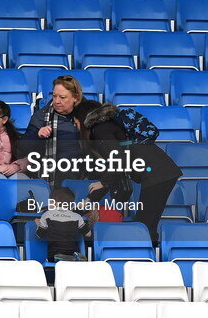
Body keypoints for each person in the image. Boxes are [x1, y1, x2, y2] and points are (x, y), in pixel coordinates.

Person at [71, 100, 182, 246]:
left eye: (75, 122)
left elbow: (118, 162)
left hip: (157, 174)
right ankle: (151, 256)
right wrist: (89, 200)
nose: (75, 126)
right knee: (148, 224)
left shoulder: (101, 129)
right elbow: (115, 171)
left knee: (144, 225)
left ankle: (144, 259)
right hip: (163, 172)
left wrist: (102, 183)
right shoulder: (109, 126)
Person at [21, 75, 91, 186]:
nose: (57, 101)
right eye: (54, 96)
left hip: (86, 171)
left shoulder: (90, 115)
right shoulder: (42, 116)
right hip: (55, 175)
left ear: (75, 97)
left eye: (62, 97)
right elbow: (24, 148)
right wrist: (37, 135)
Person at [35, 186, 91, 263]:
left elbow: (39, 235)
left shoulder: (47, 215)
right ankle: (75, 257)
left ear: (55, 202)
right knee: (72, 255)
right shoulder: (77, 217)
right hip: (72, 251)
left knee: (53, 257)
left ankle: (61, 258)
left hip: (53, 253)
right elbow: (88, 234)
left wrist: (38, 224)